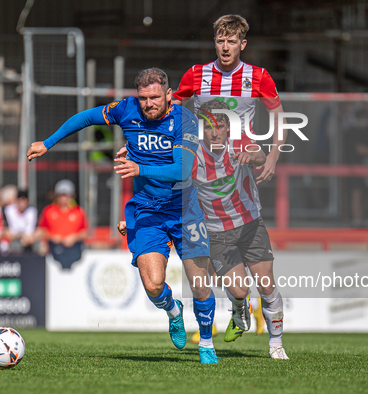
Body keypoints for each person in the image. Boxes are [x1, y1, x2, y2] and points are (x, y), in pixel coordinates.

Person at [27, 67, 219, 364]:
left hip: (185, 210)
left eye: (155, 97)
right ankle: (173, 311)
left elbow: (181, 170)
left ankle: (206, 344)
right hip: (146, 210)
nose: (148, 104)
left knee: (200, 283)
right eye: (143, 98)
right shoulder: (126, 110)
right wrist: (47, 143)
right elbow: (86, 118)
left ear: (169, 95)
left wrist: (139, 168)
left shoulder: (184, 120)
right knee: (154, 285)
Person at [192, 99, 288, 360]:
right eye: (208, 125)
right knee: (239, 291)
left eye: (220, 125)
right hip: (216, 231)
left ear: (227, 126)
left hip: (249, 225)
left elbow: (260, 155)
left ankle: (276, 344)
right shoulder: (192, 151)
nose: (214, 132)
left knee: (266, 285)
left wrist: (253, 156)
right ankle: (239, 307)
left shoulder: (239, 140)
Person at [171, 14, 286, 184]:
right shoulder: (196, 73)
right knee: (196, 209)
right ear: (214, 43)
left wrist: (273, 156)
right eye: (220, 41)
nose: (225, 47)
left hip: (240, 162)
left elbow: (279, 118)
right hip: (201, 163)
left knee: (239, 209)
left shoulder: (258, 76)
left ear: (242, 44)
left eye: (231, 42)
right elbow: (173, 109)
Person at [36, 180, 87, 266]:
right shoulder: (48, 211)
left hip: (74, 249)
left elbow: (85, 232)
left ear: (72, 196)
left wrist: (74, 237)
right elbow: (40, 229)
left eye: (66, 195)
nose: (63, 199)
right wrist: (52, 236)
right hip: (53, 249)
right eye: (61, 196)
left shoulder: (79, 212)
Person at [4, 190, 37, 254]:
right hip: (14, 239)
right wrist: (21, 236)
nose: (22, 203)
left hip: (27, 240)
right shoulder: (8, 210)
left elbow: (30, 231)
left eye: (24, 200)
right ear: (16, 200)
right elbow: (8, 231)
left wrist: (26, 238)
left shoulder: (32, 212)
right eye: (20, 200)